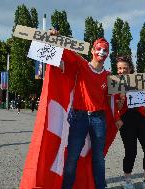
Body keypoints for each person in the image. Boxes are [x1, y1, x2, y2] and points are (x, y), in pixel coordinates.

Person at [50, 28, 111, 189]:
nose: (102, 52)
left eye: (105, 50)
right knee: (72, 156)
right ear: (92, 50)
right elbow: (60, 61)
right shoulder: (81, 66)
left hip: (99, 119)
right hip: (79, 117)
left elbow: (121, 94)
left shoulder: (109, 76)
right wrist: (54, 40)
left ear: (108, 54)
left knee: (99, 158)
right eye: (99, 49)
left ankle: (100, 187)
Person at [114, 56, 145, 189]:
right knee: (131, 152)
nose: (122, 70)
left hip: (141, 117)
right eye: (120, 68)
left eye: (125, 68)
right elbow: (117, 108)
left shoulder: (139, 81)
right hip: (126, 119)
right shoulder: (114, 83)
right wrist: (121, 98)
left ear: (130, 69)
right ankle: (127, 181)